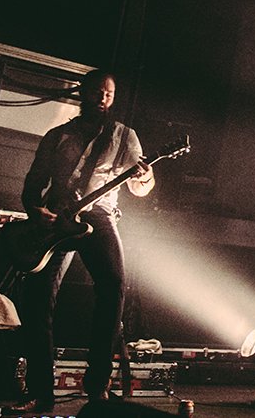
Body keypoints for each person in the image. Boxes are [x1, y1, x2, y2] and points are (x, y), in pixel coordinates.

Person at [15, 70, 154, 412]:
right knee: (38, 299)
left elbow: (139, 188)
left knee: (114, 286)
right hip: (55, 216)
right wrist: (35, 210)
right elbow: (34, 182)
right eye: (98, 91)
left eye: (109, 93)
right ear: (83, 93)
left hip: (99, 215)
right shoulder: (57, 135)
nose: (103, 98)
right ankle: (40, 392)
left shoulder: (125, 136)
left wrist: (146, 175)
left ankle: (97, 386)